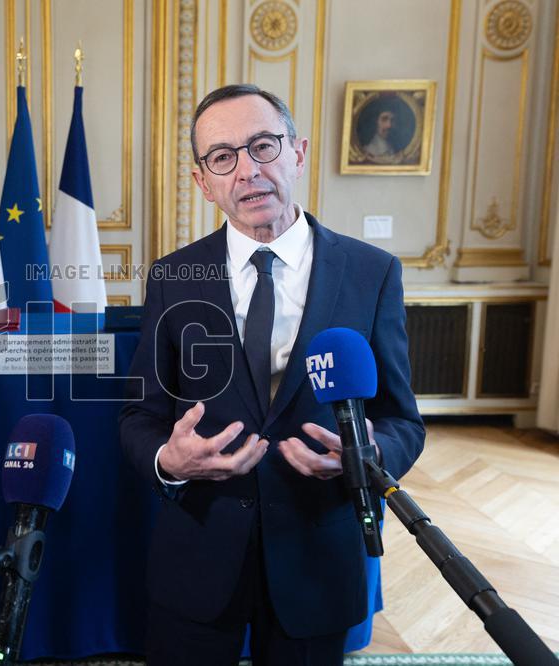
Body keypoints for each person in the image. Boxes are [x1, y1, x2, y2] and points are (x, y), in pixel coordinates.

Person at [119, 84, 424, 665]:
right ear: (203, 181)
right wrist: (168, 460)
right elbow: (140, 416)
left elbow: (402, 421)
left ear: (298, 153)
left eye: (263, 146)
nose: (247, 170)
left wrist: (365, 454)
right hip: (199, 555)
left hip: (317, 555)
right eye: (222, 157)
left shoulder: (372, 272)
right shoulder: (172, 277)